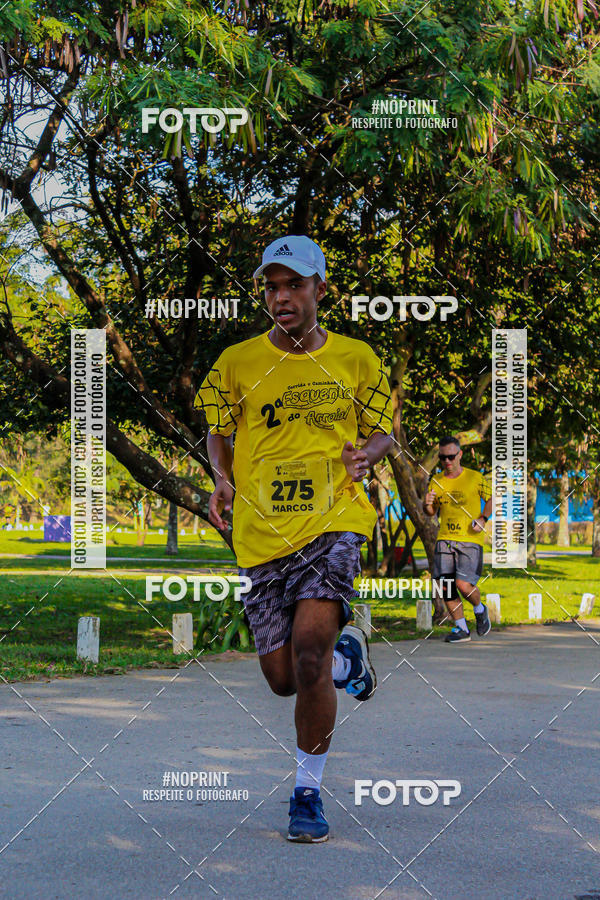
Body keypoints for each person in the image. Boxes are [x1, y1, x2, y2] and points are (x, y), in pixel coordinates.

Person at [194, 234, 394, 842]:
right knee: (285, 678)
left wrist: (367, 455)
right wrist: (222, 477)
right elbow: (217, 428)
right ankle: (344, 658)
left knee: (307, 652)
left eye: (294, 285)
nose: (281, 297)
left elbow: (384, 430)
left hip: (335, 520)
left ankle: (307, 793)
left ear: (320, 290)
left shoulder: (359, 358)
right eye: (272, 286)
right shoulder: (235, 361)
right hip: (261, 536)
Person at [423, 435, 492, 643]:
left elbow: (491, 499)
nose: (447, 461)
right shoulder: (436, 480)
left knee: (463, 584)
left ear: (460, 454)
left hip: (470, 539)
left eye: (451, 456)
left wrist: (483, 518)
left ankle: (480, 610)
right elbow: (430, 512)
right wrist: (427, 503)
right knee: (445, 585)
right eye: (443, 457)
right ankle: (461, 628)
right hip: (445, 538)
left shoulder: (475, 477)